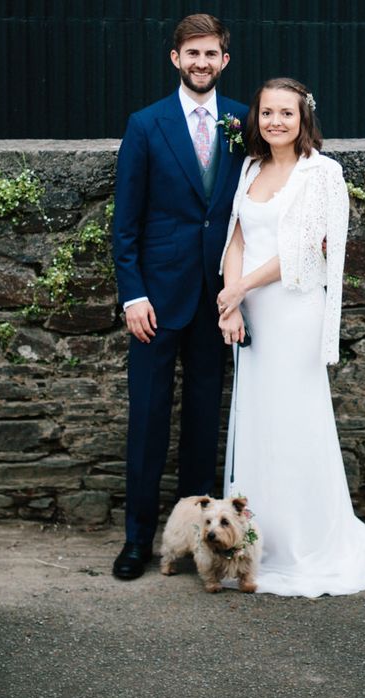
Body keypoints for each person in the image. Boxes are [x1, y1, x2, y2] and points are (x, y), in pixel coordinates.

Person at [217, 78, 365, 597]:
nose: (276, 121)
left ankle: (305, 542)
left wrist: (237, 292)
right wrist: (231, 301)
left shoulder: (323, 174)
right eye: (267, 112)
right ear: (256, 119)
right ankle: (259, 542)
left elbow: (303, 252)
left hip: (292, 310)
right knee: (258, 420)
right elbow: (235, 234)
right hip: (249, 310)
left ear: (304, 119)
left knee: (294, 421)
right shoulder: (250, 168)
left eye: (286, 113)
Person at [111, 14, 248, 580]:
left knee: (200, 425)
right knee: (147, 421)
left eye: (211, 54)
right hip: (156, 303)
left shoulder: (243, 119)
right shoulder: (146, 125)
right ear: (176, 59)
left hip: (217, 301)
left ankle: (198, 542)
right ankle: (138, 541)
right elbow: (125, 223)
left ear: (224, 60)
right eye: (192, 53)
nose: (201, 62)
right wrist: (133, 294)